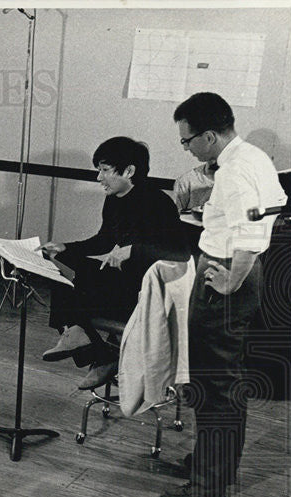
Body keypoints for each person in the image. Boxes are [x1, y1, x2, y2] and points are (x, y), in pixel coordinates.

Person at [160, 92, 287, 497]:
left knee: (214, 383)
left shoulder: (233, 172)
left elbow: (248, 235)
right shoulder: (252, 157)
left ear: (210, 136)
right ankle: (213, 465)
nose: (185, 149)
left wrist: (231, 280)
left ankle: (208, 482)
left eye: (187, 140)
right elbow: (273, 206)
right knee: (224, 380)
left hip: (228, 271)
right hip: (241, 268)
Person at [38, 137, 190, 390]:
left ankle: (92, 346)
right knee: (60, 263)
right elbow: (104, 240)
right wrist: (66, 247)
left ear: (129, 171)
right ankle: (94, 346)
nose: (99, 178)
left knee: (83, 288)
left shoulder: (158, 203)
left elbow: (179, 254)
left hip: (150, 289)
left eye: (105, 170)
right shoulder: (115, 198)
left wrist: (134, 250)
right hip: (125, 280)